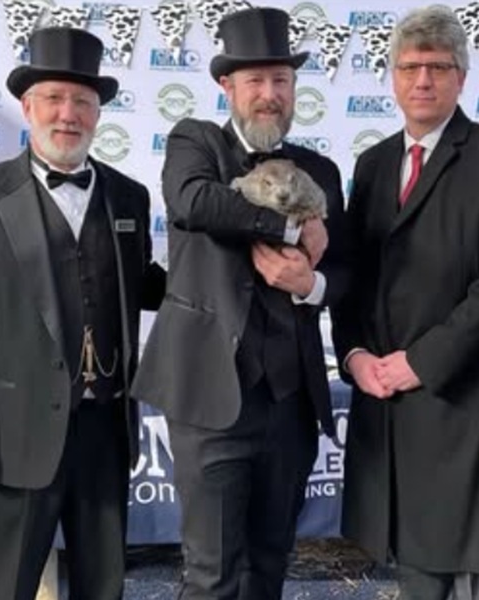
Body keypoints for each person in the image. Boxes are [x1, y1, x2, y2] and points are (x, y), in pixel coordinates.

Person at [0, 27, 164, 600]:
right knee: (8, 585)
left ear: (98, 112)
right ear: (28, 106)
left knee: (103, 584)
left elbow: (147, 283)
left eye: (82, 101)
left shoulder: (129, 197)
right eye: (54, 99)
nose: (68, 114)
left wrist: (222, 270)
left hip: (105, 430)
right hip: (15, 434)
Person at [131, 7, 349, 600]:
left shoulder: (322, 170)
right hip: (209, 402)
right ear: (227, 86)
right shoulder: (194, 143)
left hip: (290, 406)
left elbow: (348, 270)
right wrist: (289, 229)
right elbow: (195, 204)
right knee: (212, 574)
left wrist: (313, 285)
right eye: (255, 81)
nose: (269, 94)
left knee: (270, 563)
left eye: (281, 80)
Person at [331, 6, 479, 600]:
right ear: (393, 78)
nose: (423, 79)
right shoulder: (370, 165)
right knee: (417, 575)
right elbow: (351, 274)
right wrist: (356, 354)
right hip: (388, 401)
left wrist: (418, 361)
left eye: (438, 67)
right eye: (410, 66)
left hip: (461, 400)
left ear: (462, 78)